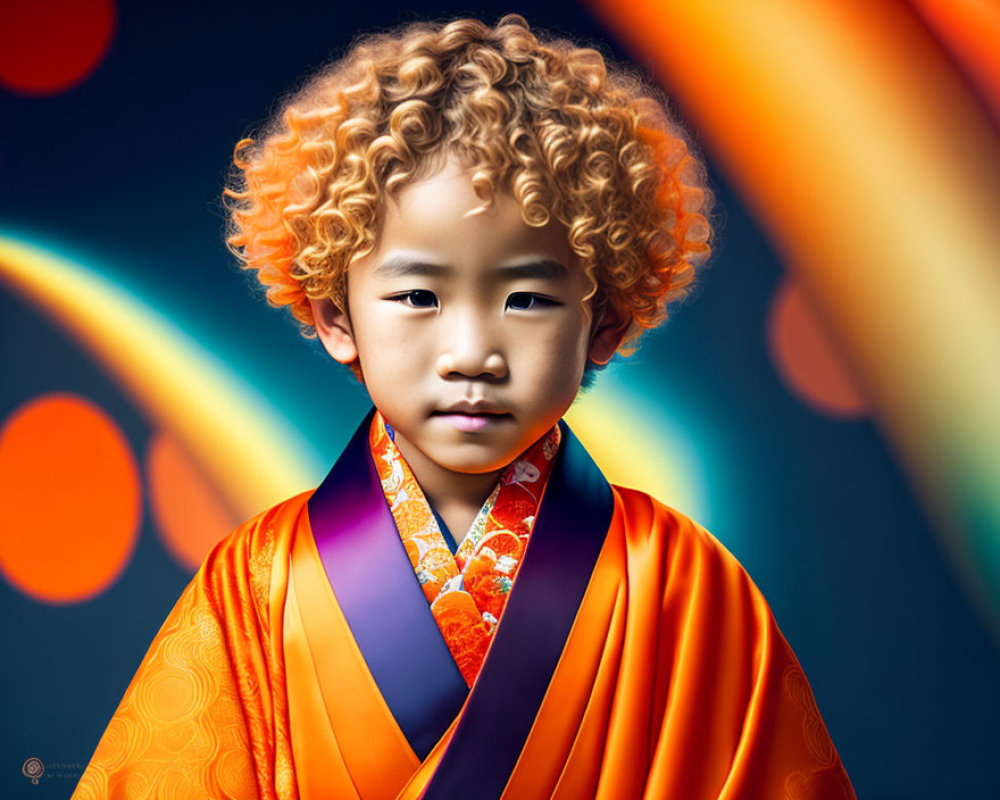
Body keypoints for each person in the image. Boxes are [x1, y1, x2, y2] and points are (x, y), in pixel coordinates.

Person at [71, 14, 855, 800]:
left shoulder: (687, 586)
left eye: (525, 297)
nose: (473, 351)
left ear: (605, 320)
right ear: (335, 316)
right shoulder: (252, 589)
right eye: (418, 295)